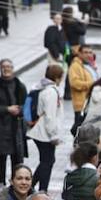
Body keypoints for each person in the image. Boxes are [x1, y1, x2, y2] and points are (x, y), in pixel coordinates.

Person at [28, 63, 67, 193]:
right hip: (44, 133)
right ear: (57, 77)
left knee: (47, 160)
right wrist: (54, 135)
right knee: (47, 161)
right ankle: (42, 189)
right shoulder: (51, 92)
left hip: (41, 132)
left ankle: (32, 186)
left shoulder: (44, 89)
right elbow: (50, 116)